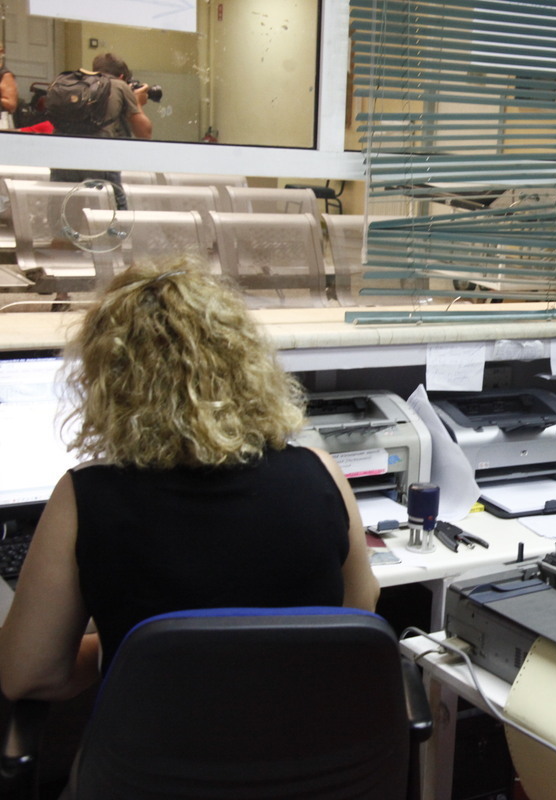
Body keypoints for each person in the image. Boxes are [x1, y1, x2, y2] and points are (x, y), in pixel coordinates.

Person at [0, 261, 379, 700]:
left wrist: (120, 652)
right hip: (309, 738)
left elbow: (28, 676)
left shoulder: (85, 497)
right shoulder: (321, 473)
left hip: (150, 745)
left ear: (108, 380)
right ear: (245, 361)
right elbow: (359, 613)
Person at [48, 52, 153, 210]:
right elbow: (144, 133)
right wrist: (137, 101)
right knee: (112, 214)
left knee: (63, 213)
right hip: (99, 159)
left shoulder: (77, 84)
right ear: (122, 76)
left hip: (63, 157)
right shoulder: (119, 85)